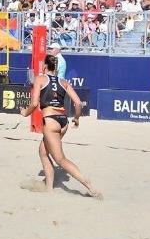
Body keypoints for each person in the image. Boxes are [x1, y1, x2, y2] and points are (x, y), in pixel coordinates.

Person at [20, 55, 101, 198]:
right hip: (63, 121)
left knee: (60, 159)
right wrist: (76, 118)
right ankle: (49, 188)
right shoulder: (63, 82)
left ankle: (88, 185)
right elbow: (78, 103)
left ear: (45, 66)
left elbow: (34, 103)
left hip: (51, 121)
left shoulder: (40, 79)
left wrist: (25, 113)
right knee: (43, 152)